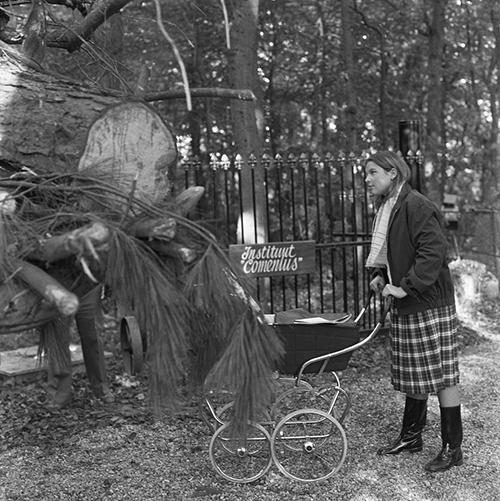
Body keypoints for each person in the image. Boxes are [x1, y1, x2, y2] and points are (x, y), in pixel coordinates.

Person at [364, 150, 462, 473]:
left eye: (373, 172)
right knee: (415, 373)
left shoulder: (415, 204)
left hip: (428, 301)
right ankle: (411, 436)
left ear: (393, 173)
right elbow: (393, 251)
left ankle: (453, 448)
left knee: (443, 375)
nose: (367, 179)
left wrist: (404, 287)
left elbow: (433, 252)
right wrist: (381, 275)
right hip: (410, 301)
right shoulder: (389, 206)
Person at [46, 277, 114, 410]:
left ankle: (101, 388)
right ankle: (59, 395)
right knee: (58, 338)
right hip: (59, 284)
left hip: (88, 284)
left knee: (92, 337)